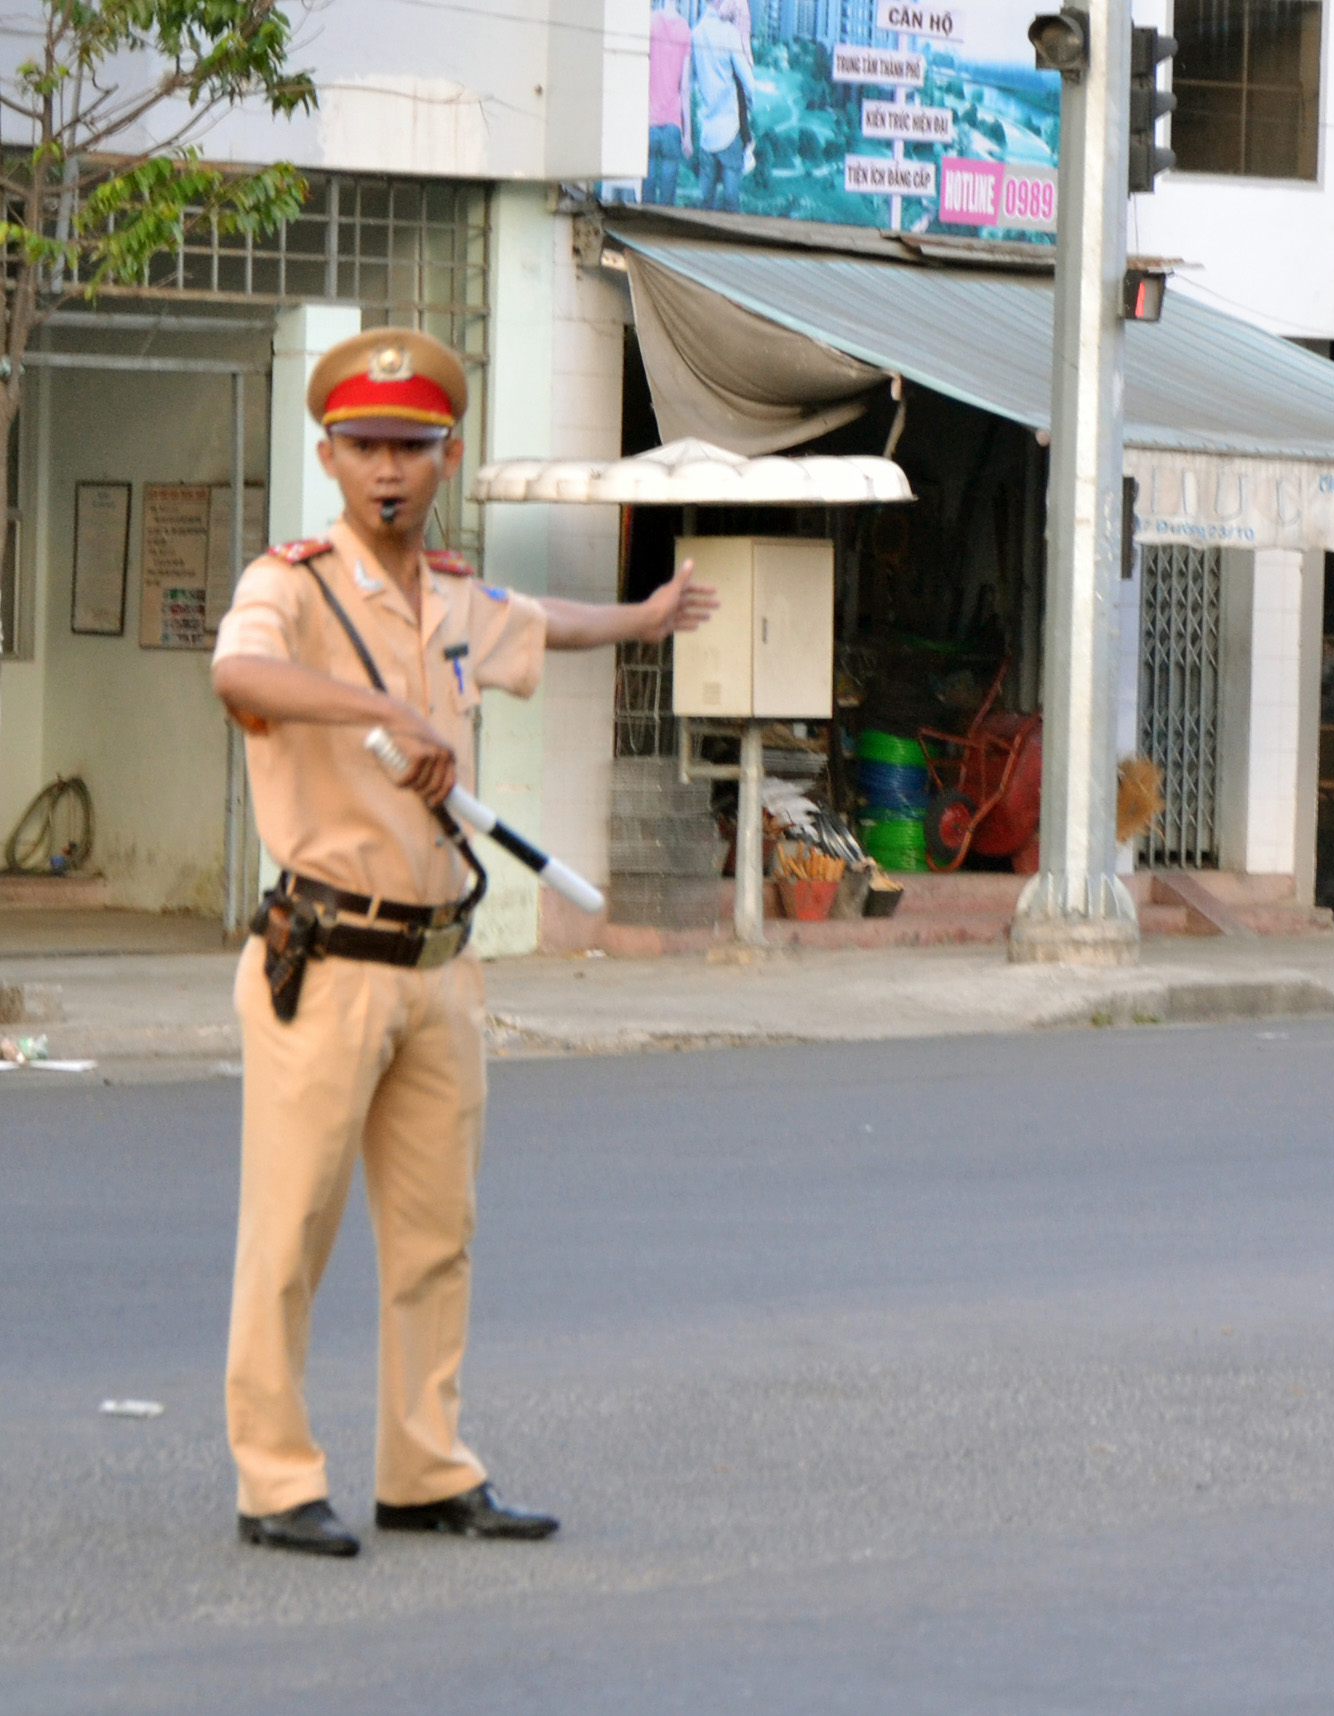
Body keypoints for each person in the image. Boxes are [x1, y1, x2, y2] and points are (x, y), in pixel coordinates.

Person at [209, 330, 718, 1558]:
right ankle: (275, 1480)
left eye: (413, 448)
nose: (388, 469)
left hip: (442, 966)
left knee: (437, 1240)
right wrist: (381, 705)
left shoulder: (453, 596)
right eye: (367, 446)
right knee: (290, 1238)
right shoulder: (292, 584)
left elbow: (542, 621)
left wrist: (646, 616)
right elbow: (241, 673)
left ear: (446, 459)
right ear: (326, 454)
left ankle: (424, 1468)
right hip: (322, 961)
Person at [688, 0, 756, 213]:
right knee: (731, 203)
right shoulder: (729, 33)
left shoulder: (696, 33)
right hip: (730, 130)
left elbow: (691, 81)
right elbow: (748, 81)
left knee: (705, 202)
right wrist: (750, 105)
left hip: (707, 133)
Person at [644, 0, 692, 204]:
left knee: (645, 195)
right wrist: (687, 134)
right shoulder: (685, 30)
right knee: (667, 200)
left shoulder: (650, 23)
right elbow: (685, 87)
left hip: (649, 120)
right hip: (673, 122)